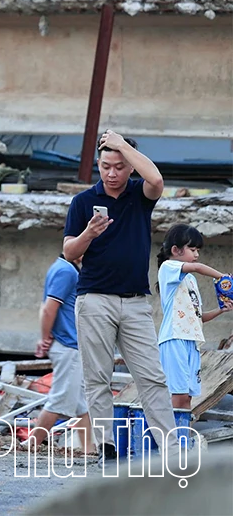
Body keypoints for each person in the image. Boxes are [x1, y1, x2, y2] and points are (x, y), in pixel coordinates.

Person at [63, 130, 177, 464]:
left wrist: (123, 144)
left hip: (136, 300)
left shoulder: (138, 195)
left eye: (119, 166)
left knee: (152, 377)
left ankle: (170, 447)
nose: (112, 173)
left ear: (130, 167)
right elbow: (69, 251)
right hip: (95, 297)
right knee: (97, 377)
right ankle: (106, 445)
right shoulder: (83, 202)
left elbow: (156, 179)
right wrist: (89, 233)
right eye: (106, 165)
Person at [156, 224, 230, 410]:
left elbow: (199, 317)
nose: (196, 254)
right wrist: (224, 278)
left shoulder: (190, 280)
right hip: (175, 339)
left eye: (198, 250)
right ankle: (172, 436)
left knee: (188, 397)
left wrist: (221, 310)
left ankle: (183, 437)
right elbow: (196, 266)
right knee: (178, 396)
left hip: (192, 341)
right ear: (175, 250)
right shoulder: (168, 267)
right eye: (192, 249)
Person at [30, 255, 95, 454]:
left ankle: (89, 449)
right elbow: (50, 308)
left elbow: (45, 309)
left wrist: (46, 336)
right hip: (69, 346)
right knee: (58, 401)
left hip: (69, 345)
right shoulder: (67, 272)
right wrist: (44, 337)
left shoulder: (60, 267)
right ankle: (30, 445)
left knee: (83, 403)